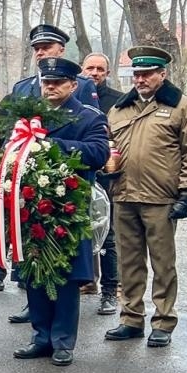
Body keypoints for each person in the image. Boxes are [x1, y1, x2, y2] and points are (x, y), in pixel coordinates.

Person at [102, 47, 187, 349]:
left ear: (163, 74)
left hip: (161, 198)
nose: (141, 79)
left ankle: (163, 321)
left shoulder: (184, 108)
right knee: (129, 262)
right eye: (137, 74)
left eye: (147, 74)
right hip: (124, 194)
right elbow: (109, 145)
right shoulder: (120, 109)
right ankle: (131, 318)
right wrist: (107, 169)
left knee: (163, 263)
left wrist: (185, 192)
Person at [10, 58, 111, 366]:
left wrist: (52, 144)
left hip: (69, 208)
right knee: (35, 273)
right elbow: (10, 148)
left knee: (65, 279)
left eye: (57, 82)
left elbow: (98, 153)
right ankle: (40, 337)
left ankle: (63, 341)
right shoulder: (30, 117)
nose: (50, 87)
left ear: (73, 85)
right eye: (46, 82)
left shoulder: (88, 117)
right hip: (31, 207)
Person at [0, 24, 99, 309]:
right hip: (30, 194)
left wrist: (53, 148)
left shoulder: (83, 86)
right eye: (37, 49)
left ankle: (63, 334)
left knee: (65, 264)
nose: (40, 52)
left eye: (46, 47)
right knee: (32, 255)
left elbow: (96, 139)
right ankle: (36, 314)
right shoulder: (23, 87)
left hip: (66, 195)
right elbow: (10, 131)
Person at [81, 52, 127, 313]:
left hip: (108, 176)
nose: (95, 73)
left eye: (100, 69)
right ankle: (85, 281)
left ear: (107, 73)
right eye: (90, 68)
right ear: (81, 70)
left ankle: (110, 291)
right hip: (80, 173)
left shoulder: (117, 102)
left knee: (108, 236)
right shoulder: (73, 97)